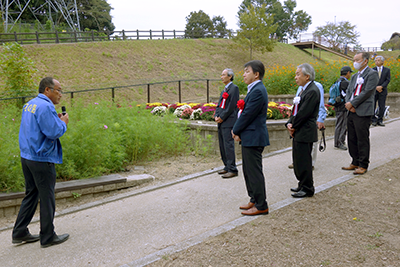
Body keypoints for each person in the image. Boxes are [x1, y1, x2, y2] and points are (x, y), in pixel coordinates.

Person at [12, 77, 70, 248]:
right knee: (47, 197)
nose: (60, 94)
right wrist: (63, 123)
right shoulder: (46, 107)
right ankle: (48, 236)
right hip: (41, 158)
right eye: (58, 90)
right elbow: (54, 132)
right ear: (47, 90)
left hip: (27, 156)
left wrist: (55, 120)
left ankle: (19, 231)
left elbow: (35, 127)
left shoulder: (31, 104)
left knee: (31, 194)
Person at [232, 60, 269, 216]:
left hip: (254, 136)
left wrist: (235, 129)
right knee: (248, 170)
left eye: (247, 71)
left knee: (254, 171)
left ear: (256, 74)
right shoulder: (254, 89)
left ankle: (261, 205)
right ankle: (253, 198)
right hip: (249, 136)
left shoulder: (258, 91)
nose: (244, 74)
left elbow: (248, 115)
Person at [286, 63, 320, 198]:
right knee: (298, 159)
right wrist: (289, 123)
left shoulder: (312, 90)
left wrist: (293, 125)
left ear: (307, 76)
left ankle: (307, 188)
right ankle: (302, 184)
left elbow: (303, 113)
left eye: (298, 74)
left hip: (305, 130)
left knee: (304, 160)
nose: (295, 77)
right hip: (299, 130)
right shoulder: (303, 90)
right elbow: (295, 110)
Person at [342, 52, 379, 175]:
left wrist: (353, 104)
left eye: (357, 60)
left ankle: (363, 164)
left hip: (363, 111)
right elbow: (348, 91)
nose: (355, 62)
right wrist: (348, 103)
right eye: (354, 60)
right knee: (351, 137)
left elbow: (367, 92)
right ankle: (355, 161)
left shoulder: (372, 74)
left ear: (365, 61)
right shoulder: (354, 76)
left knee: (362, 138)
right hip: (351, 111)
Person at [287, 81, 326, 169]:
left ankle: (310, 163)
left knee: (310, 143)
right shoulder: (301, 88)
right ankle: (297, 161)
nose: (296, 78)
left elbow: (320, 103)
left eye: (298, 74)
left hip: (309, 120)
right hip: (298, 120)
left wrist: (321, 118)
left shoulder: (316, 87)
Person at [214, 68, 240, 178]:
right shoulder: (224, 89)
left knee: (228, 145)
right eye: (221, 75)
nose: (221, 77)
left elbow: (231, 106)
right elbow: (220, 104)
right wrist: (216, 115)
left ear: (230, 76)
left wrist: (222, 117)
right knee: (222, 145)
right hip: (221, 121)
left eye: (224, 75)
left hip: (228, 121)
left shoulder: (234, 88)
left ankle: (232, 169)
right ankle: (227, 166)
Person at [333, 66, 352, 150]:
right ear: (347, 73)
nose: (350, 74)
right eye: (350, 73)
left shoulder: (337, 81)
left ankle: (338, 141)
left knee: (339, 123)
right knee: (342, 124)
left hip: (337, 105)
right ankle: (339, 142)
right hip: (342, 106)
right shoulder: (345, 83)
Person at [371, 56, 391, 126]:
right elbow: (371, 80)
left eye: (378, 60)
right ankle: (373, 120)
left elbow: (388, 79)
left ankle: (380, 120)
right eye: (376, 60)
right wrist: (376, 87)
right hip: (374, 90)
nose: (377, 62)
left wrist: (382, 86)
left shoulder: (387, 70)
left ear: (382, 62)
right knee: (372, 105)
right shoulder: (372, 70)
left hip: (383, 90)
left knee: (381, 105)